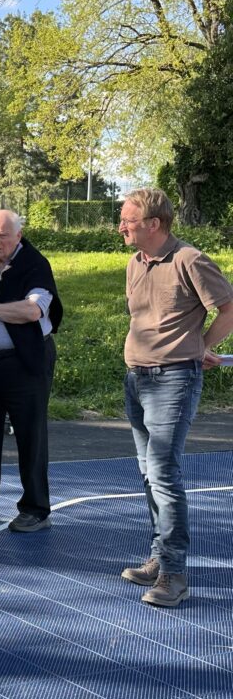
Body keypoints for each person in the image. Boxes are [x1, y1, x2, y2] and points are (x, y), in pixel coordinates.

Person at [119, 187, 233, 608]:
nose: (121, 226)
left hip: (174, 380)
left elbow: (229, 308)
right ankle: (158, 556)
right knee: (148, 474)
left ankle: (173, 573)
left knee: (164, 474)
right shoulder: (134, 262)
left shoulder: (190, 259)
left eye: (128, 219)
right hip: (136, 378)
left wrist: (201, 345)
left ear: (153, 223)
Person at [0, 210, 63, 532]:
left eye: (4, 236)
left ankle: (36, 509)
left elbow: (31, 311)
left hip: (26, 362)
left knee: (30, 434)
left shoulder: (35, 264)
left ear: (18, 236)